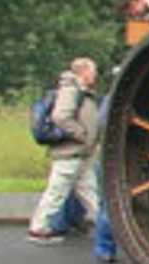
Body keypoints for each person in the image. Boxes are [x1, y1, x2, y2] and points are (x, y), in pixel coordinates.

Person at [27, 58, 100, 246]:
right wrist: (81, 134)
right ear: (83, 72)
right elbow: (60, 116)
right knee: (56, 192)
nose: (95, 75)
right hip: (70, 152)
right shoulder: (71, 91)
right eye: (93, 71)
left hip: (80, 153)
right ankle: (38, 228)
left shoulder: (79, 91)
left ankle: (106, 225)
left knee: (89, 191)